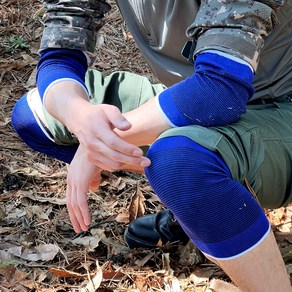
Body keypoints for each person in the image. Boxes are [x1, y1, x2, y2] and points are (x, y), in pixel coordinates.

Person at [11, 0, 292, 291]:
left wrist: (104, 140)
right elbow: (60, 52)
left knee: (180, 163)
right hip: (194, 96)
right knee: (35, 115)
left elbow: (220, 89)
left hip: (281, 109)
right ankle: (199, 209)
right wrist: (79, 117)